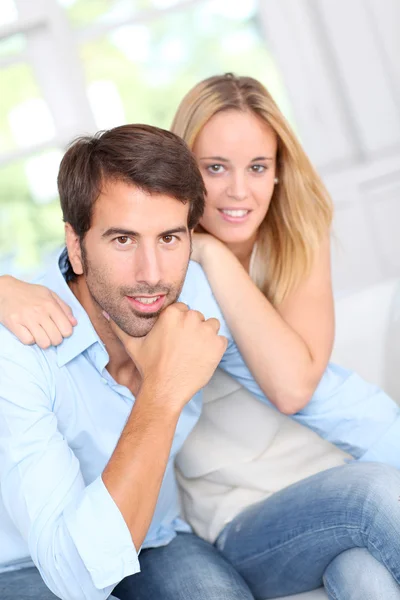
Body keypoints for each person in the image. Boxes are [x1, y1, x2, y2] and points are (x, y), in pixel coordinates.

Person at [2, 77, 400, 599]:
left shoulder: (198, 299)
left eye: (170, 238)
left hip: (159, 537)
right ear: (75, 247)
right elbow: (75, 574)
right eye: (122, 240)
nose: (150, 272)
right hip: (25, 562)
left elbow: (328, 399)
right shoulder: (21, 342)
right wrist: (163, 392)